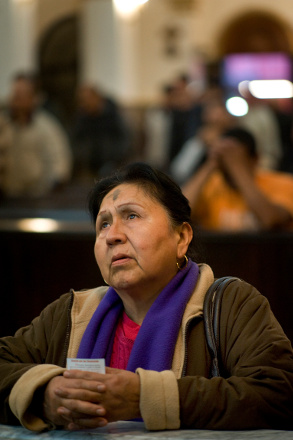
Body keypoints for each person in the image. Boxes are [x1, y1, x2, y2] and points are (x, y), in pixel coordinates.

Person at [0, 162, 293, 432]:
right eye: (103, 224)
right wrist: (41, 395)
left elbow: (277, 395)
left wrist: (145, 397)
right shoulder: (71, 313)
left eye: (131, 216)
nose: (112, 235)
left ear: (181, 238)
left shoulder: (230, 305)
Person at [183, 128, 293, 231]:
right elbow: (178, 214)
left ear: (255, 159)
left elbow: (270, 220)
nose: (229, 161)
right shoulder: (211, 185)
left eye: (236, 157)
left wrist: (237, 167)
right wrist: (210, 164)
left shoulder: (284, 183)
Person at [0, 73, 72, 198]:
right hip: (7, 195)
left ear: (33, 97)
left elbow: (59, 160)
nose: (17, 99)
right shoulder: (4, 124)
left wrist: (54, 183)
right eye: (15, 94)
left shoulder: (46, 126)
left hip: (36, 196)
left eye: (22, 94)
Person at [70, 84, 131, 181]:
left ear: (96, 98)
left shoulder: (113, 114)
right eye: (81, 101)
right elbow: (75, 139)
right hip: (89, 167)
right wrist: (82, 154)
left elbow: (125, 138)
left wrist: (115, 157)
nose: (84, 104)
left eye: (86, 100)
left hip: (113, 166)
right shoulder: (82, 117)